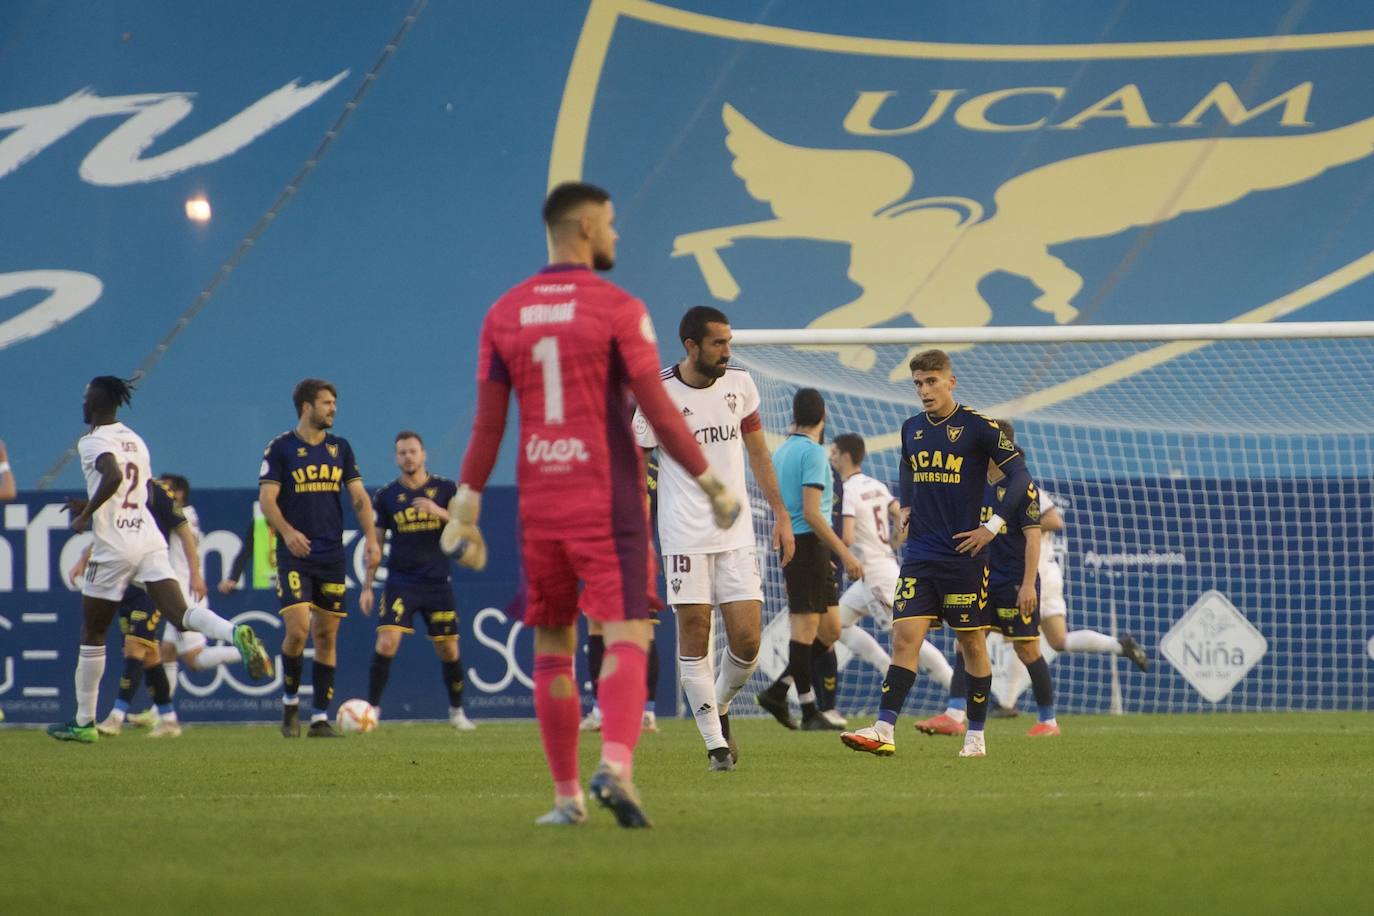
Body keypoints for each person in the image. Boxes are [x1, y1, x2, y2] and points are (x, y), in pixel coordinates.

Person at [442, 181, 738, 827]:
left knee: (553, 640)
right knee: (628, 629)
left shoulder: (504, 312)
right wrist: (711, 481)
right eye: (609, 224)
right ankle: (617, 768)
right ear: (583, 228)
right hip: (607, 500)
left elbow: (488, 426)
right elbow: (657, 408)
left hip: (538, 503)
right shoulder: (617, 307)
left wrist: (464, 503)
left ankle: (566, 799)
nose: (616, 235)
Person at [48, 376, 272, 743]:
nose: (83, 403)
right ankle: (233, 633)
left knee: (93, 632)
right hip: (148, 539)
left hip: (115, 545)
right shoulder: (135, 439)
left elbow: (113, 474)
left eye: (86, 397)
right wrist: (92, 505)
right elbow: (140, 488)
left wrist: (87, 514)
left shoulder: (92, 441)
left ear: (96, 403)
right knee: (180, 611)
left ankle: (84, 722)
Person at [840, 350, 1030, 759]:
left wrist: (992, 527)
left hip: (964, 554)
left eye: (931, 382)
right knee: (904, 636)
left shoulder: (980, 428)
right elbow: (908, 465)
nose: (924, 391)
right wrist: (905, 505)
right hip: (921, 553)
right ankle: (884, 729)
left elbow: (1020, 476)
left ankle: (976, 736)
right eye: (918, 384)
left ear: (951, 382)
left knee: (971, 644)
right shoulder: (912, 428)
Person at [633, 305, 794, 770]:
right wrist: (638, 534)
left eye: (729, 341)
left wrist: (781, 514)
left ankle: (718, 706)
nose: (728, 350)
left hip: (737, 531)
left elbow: (759, 453)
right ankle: (715, 746)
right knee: (696, 633)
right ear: (691, 345)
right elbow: (638, 466)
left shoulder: (740, 384)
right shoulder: (657, 393)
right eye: (718, 343)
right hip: (683, 534)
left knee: (747, 641)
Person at [916, 420, 1060, 737]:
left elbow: (1034, 539)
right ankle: (954, 714)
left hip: (1012, 582)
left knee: (1027, 650)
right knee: (966, 642)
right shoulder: (973, 484)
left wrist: (1026, 584)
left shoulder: (1023, 486)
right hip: (980, 579)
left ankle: (1048, 721)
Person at [259, 378, 381, 738]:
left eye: (334, 403)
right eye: (327, 403)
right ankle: (290, 702)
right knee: (298, 631)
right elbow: (267, 500)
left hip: (331, 555)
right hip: (294, 554)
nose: (333, 409)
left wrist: (372, 538)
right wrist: (287, 532)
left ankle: (320, 718)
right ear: (307, 407)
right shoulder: (280, 448)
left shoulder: (340, 449)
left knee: (326, 636)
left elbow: (358, 497)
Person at [754, 389, 862, 731]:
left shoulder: (783, 449)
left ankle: (779, 689)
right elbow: (813, 514)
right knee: (804, 631)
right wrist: (844, 553)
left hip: (809, 549)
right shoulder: (814, 453)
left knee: (829, 630)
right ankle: (809, 709)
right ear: (823, 415)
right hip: (805, 544)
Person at [986, 489, 1149, 716]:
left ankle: (1006, 704)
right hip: (1037, 576)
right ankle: (1120, 646)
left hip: (1034, 578)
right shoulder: (995, 493)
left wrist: (1020, 524)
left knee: (1022, 638)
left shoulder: (1024, 490)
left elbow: (1054, 520)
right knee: (1056, 640)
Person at [360, 431, 474, 731]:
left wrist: (439, 512)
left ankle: (457, 711)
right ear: (396, 458)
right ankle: (371, 710)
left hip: (437, 582)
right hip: (401, 581)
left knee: (449, 649)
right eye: (402, 453)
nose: (408, 457)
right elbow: (375, 544)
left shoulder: (446, 489)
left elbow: (467, 529)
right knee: (387, 642)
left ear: (423, 454)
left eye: (412, 451)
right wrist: (367, 586)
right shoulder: (386, 496)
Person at [829, 433, 953, 707]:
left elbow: (847, 537)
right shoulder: (877, 485)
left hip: (875, 575)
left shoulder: (847, 490)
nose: (831, 456)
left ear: (847, 456)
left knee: (907, 638)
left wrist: (834, 548)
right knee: (834, 626)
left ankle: (957, 691)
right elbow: (905, 519)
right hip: (875, 571)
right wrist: (894, 542)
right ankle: (885, 666)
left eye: (835, 452)